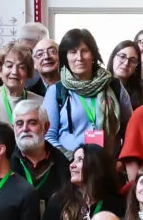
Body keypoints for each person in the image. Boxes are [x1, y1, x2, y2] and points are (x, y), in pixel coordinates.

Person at [42, 29, 125, 157]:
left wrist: (119, 162)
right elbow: (48, 136)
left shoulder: (114, 86)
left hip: (107, 166)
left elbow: (129, 132)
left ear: (93, 55)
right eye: (73, 52)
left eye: (85, 51)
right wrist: (71, 160)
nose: (79, 57)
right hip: (69, 167)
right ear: (66, 57)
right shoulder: (56, 91)